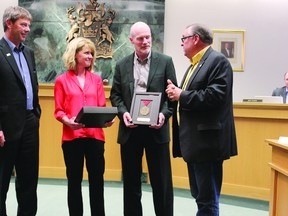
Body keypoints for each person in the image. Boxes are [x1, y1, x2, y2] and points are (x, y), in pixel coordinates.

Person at [166, 23, 237, 216]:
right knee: (201, 196)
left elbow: (215, 96)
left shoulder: (217, 61)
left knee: (208, 200)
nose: (181, 44)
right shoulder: (195, 65)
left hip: (208, 144)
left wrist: (182, 95)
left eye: (183, 39)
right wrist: (176, 93)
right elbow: (191, 95)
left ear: (195, 39)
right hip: (195, 143)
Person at [109, 21, 177, 216]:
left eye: (148, 37)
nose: (145, 41)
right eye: (140, 38)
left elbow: (171, 96)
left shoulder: (165, 62)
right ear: (131, 41)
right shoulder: (122, 65)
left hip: (157, 130)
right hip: (131, 131)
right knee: (130, 183)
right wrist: (124, 113)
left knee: (161, 183)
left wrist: (164, 115)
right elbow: (116, 96)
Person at [54, 37, 114, 216]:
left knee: (97, 182)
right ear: (75, 54)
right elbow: (58, 111)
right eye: (86, 53)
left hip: (95, 137)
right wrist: (67, 121)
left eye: (91, 54)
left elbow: (101, 107)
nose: (90, 56)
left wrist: (107, 120)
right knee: (74, 182)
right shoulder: (61, 80)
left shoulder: (96, 80)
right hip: (72, 138)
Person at [0, 6, 41, 216]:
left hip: (29, 124)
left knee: (28, 182)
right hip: (4, 129)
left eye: (29, 25)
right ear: (9, 23)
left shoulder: (29, 53)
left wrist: (36, 114)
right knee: (1, 184)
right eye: (23, 24)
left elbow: (32, 85)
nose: (27, 29)